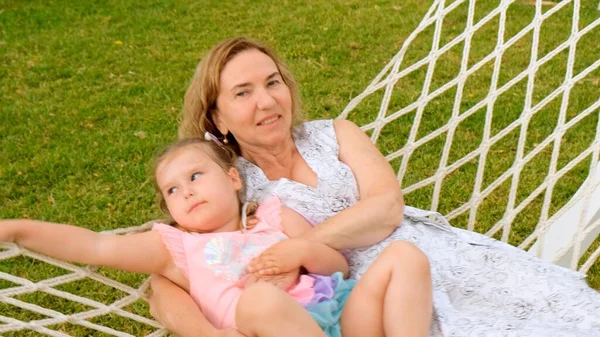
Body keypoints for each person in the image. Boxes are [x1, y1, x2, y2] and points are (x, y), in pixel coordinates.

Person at [149, 36, 600, 337]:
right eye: (243, 93)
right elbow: (166, 274)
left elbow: (387, 207)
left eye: (273, 82)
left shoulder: (336, 132)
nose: (267, 100)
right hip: (371, 299)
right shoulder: (225, 185)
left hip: (440, 256)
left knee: (570, 316)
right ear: (217, 118)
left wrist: (299, 248)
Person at [0, 137, 433, 337]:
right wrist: (17, 229)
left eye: (195, 176)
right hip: (270, 331)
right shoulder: (175, 248)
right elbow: (95, 245)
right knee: (260, 301)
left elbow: (339, 266)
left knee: (404, 256)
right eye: (172, 189)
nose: (185, 190)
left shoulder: (274, 217)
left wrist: (301, 250)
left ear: (232, 179)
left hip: (336, 317)